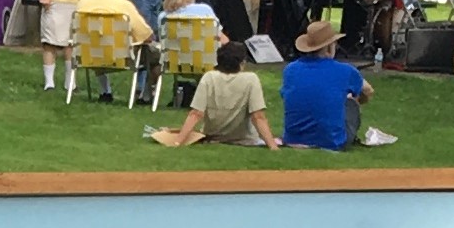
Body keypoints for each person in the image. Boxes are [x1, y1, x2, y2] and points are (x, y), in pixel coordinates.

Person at [149, 40, 279, 149]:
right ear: (242, 63)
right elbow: (258, 117)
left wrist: (178, 141)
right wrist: (272, 145)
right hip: (243, 139)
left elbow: (195, 114)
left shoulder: (209, 77)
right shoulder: (251, 79)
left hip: (212, 136)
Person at [72, 0, 155, 102]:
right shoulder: (124, 6)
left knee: (96, 39)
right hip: (120, 57)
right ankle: (146, 96)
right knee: (153, 54)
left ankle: (105, 91)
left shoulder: (83, 2)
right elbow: (146, 35)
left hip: (89, 56)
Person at [279, 18, 368, 150]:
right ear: (329, 47)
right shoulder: (345, 70)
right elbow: (368, 91)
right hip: (331, 141)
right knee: (351, 100)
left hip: (293, 139)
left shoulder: (290, 70)